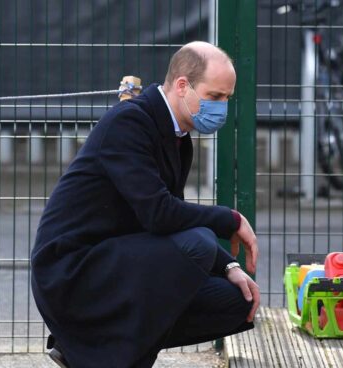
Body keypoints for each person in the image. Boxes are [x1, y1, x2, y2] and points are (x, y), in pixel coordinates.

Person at [31, 41, 260, 368]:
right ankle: (107, 355)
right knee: (199, 244)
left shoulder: (178, 136)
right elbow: (160, 214)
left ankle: (88, 348)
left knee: (237, 300)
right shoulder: (130, 124)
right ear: (183, 86)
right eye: (215, 97)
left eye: (227, 98)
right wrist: (230, 219)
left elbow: (175, 219)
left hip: (120, 260)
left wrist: (230, 267)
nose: (222, 108)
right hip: (73, 270)